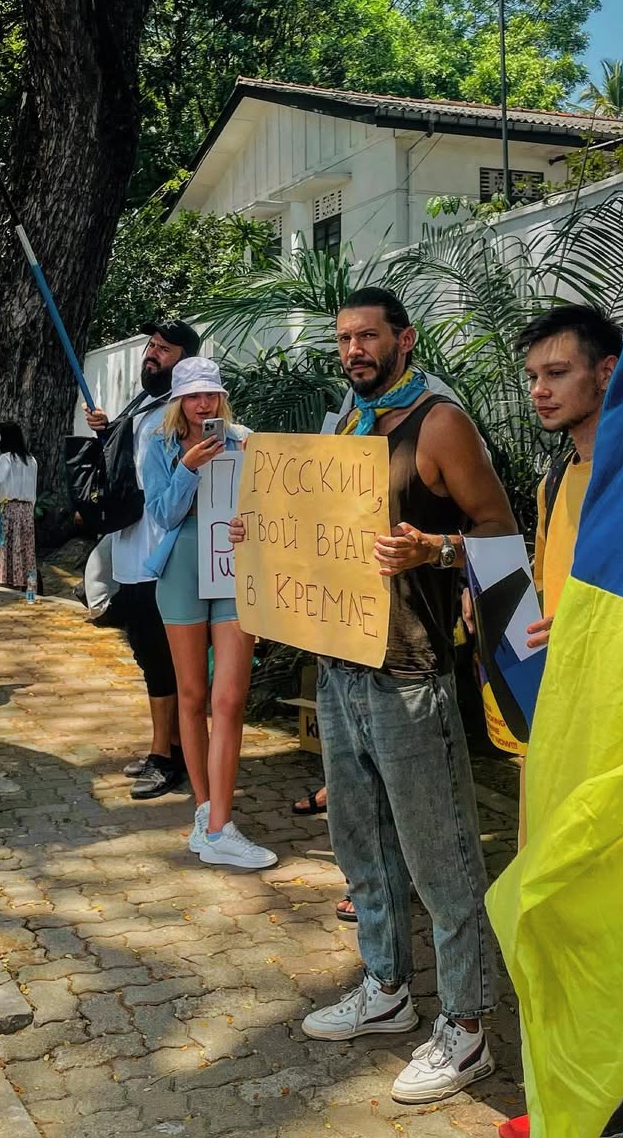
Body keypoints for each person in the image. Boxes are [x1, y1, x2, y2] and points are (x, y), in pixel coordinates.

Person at [231, 286, 516, 1103]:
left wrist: (436, 550)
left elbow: (501, 531)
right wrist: (261, 533)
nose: (353, 350)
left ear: (404, 339)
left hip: (411, 670)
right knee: (361, 846)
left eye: (367, 336)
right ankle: (386, 989)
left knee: (441, 857)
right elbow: (315, 537)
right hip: (341, 662)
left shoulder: (438, 424)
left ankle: (466, 1027)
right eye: (344, 339)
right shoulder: (343, 429)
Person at [499, 305, 623, 1138]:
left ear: (607, 372)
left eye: (557, 374)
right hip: (564, 730)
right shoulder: (554, 482)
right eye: (533, 377)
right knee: (565, 921)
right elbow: (549, 597)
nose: (539, 391)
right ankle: (592, 1103)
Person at [141, 356, 275, 869]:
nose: (204, 404)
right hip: (181, 567)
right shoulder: (159, 445)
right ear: (179, 401)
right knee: (193, 695)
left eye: (211, 394)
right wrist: (188, 469)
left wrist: (251, 523)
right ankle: (205, 812)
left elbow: (268, 507)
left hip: (232, 566)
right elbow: (161, 514)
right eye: (194, 395)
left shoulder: (245, 441)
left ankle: (221, 825)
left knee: (230, 698)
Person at [84, 319, 201, 801]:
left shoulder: (181, 411)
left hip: (163, 553)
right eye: (151, 346)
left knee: (159, 656)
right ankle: (171, 747)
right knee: (146, 651)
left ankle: (165, 755)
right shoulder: (144, 405)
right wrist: (107, 431)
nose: (152, 354)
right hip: (131, 550)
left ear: (186, 361)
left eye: (164, 349)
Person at [0, 422, 37, 589]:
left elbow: (1, 482)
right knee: (24, 545)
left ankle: (1, 578)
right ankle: (22, 581)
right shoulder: (32, 460)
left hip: (8, 506)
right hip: (26, 509)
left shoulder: (6, 458)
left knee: (3, 543)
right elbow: (33, 487)